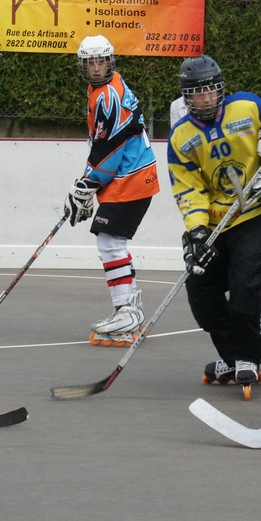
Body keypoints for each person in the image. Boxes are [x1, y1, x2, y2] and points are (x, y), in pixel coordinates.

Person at [169, 55, 261, 396]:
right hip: (215, 223)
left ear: (221, 89)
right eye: (197, 94)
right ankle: (231, 356)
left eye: (210, 91)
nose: (205, 99)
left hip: (254, 214)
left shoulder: (248, 107)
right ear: (186, 97)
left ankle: (247, 357)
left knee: (246, 286)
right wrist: (197, 231)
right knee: (201, 293)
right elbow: (188, 189)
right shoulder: (181, 136)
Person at [65, 35, 161, 346]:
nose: (96, 68)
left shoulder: (109, 96)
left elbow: (111, 149)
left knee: (110, 241)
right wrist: (86, 182)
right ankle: (129, 308)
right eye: (90, 62)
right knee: (111, 241)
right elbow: (103, 145)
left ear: (110, 61)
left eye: (101, 61)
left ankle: (127, 311)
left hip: (130, 178)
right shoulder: (104, 89)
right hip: (129, 177)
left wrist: (87, 184)